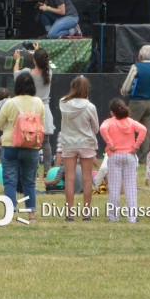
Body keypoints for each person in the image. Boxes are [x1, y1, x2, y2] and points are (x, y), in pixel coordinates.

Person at [0, 73, 44, 223]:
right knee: (29, 182)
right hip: (32, 147)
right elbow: (43, 126)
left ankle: (10, 213)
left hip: (10, 145)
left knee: (10, 180)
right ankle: (31, 215)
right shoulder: (38, 103)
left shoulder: (10, 103)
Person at [57, 75, 99, 221]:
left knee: (69, 178)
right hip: (86, 143)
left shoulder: (63, 103)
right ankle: (86, 213)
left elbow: (67, 98)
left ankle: (70, 213)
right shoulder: (90, 107)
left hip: (68, 143)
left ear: (73, 87)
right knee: (87, 179)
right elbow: (96, 128)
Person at [99, 98, 147, 223]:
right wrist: (136, 146)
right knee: (131, 188)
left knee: (114, 188)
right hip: (129, 155)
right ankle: (132, 217)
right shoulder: (130, 122)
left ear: (112, 112)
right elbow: (143, 130)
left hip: (115, 155)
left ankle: (113, 217)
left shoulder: (109, 122)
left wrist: (110, 143)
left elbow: (103, 129)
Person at [14, 45, 55, 174]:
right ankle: (47, 170)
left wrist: (17, 60)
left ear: (34, 61)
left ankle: (34, 170)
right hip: (45, 108)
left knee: (32, 142)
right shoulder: (49, 73)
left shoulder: (27, 73)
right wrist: (37, 51)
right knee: (46, 142)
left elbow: (15, 74)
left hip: (31, 109)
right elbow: (42, 63)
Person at [120, 44, 150, 161]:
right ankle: (143, 158)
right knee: (146, 130)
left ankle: (126, 153)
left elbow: (127, 85)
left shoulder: (136, 67)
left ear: (141, 55)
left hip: (137, 101)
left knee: (128, 128)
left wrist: (124, 91)